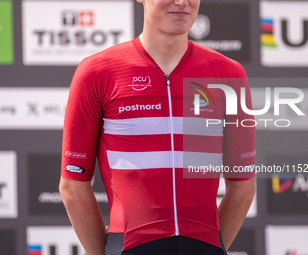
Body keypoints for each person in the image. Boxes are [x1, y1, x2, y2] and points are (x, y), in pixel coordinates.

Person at [59, 0, 256, 254]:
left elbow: (242, 184)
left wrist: (211, 246)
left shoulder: (228, 74)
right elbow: (72, 186)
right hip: (129, 246)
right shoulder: (98, 72)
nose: (182, 2)